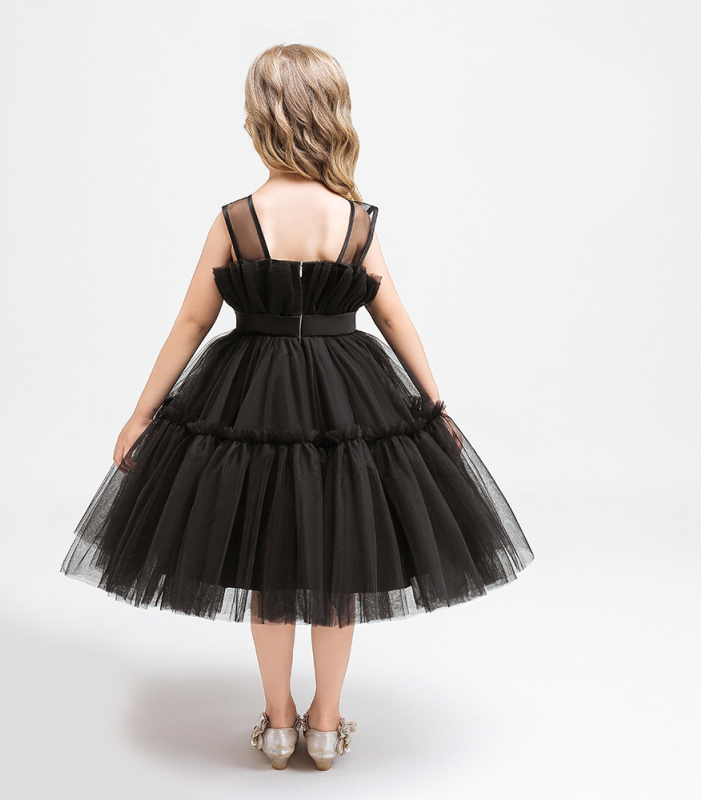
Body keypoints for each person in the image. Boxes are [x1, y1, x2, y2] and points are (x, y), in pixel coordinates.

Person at [60, 43, 534, 771]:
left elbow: (192, 321)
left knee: (269, 562)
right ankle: (326, 724)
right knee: (338, 563)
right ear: (332, 115)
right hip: (347, 400)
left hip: (250, 394)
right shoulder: (353, 219)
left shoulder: (238, 219)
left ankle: (279, 723)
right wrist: (433, 403)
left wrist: (142, 413)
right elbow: (392, 315)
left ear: (260, 119)